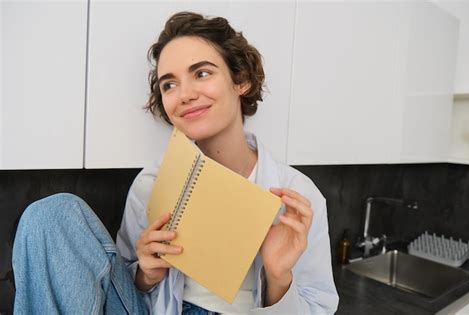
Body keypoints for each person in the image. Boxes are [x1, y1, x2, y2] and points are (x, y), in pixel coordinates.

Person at [12, 11, 338, 314]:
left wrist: (279, 278)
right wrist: (145, 274)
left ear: (241, 80)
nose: (184, 94)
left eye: (202, 73)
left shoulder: (296, 197)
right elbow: (118, 289)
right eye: (169, 84)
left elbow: (319, 306)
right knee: (51, 214)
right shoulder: (151, 183)